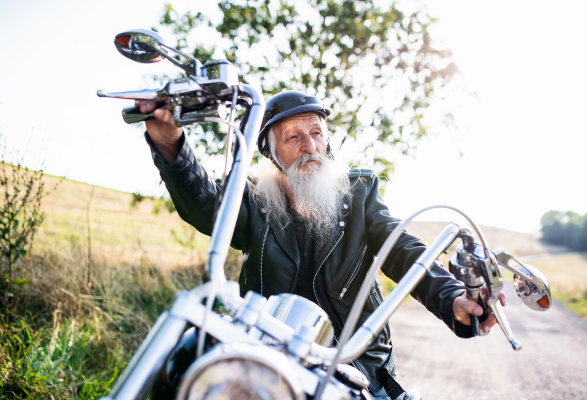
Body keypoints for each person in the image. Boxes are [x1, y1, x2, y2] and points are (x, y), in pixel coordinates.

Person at [136, 91, 505, 400]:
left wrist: (452, 296)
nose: (310, 146)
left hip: (355, 363)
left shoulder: (358, 193)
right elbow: (206, 204)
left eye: (316, 132)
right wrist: (172, 147)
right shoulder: (252, 200)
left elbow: (403, 248)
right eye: (294, 137)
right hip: (271, 351)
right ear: (270, 152)